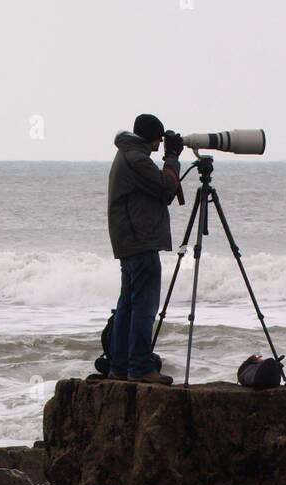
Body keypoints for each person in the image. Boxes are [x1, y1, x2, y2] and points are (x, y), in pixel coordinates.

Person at [106, 114, 184, 384]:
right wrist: (172, 157)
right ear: (152, 137)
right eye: (159, 140)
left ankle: (120, 366)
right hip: (141, 242)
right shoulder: (137, 160)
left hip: (130, 242)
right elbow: (166, 187)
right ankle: (139, 367)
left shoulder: (127, 155)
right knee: (144, 307)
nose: (159, 146)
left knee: (128, 306)